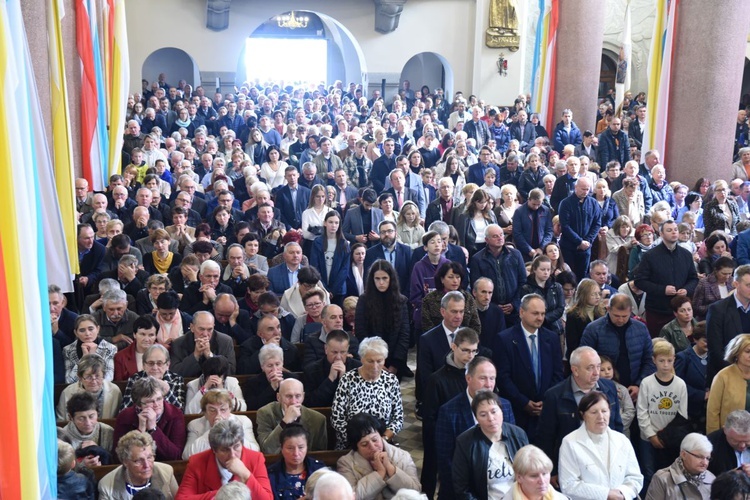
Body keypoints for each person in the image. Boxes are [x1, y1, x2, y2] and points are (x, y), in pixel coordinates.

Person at [435, 357, 515, 500]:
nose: (488, 384)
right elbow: (445, 459)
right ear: (468, 378)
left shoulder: (505, 406)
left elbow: (513, 449)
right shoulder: (449, 411)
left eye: (492, 378)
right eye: (483, 378)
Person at [537, 346, 623, 477]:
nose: (596, 373)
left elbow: (617, 426)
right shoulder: (554, 396)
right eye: (590, 368)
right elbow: (546, 438)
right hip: (570, 465)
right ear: (575, 370)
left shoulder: (609, 387)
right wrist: (552, 471)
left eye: (598, 366)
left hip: (606, 460)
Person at [494, 294, 564, 439]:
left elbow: (558, 374)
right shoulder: (505, 339)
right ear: (521, 313)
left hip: (545, 413)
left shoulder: (551, 338)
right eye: (535, 313)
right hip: (517, 412)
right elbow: (503, 377)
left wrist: (546, 401)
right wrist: (524, 402)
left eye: (543, 314)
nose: (540, 318)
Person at [558, 391, 643, 499]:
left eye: (604, 411)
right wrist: (606, 494)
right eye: (594, 412)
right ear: (582, 415)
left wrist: (622, 493)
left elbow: (635, 477)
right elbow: (568, 485)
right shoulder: (570, 442)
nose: (600, 416)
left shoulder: (622, 440)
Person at [452, 390, 530, 500]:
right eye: (483, 415)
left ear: (501, 412)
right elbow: (462, 489)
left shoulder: (518, 435)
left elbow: (530, 472)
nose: (490, 418)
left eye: (494, 412)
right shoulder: (465, 443)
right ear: (477, 419)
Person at [331, 337, 403, 449]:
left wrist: (382, 440)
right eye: (370, 361)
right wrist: (361, 443)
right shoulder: (348, 379)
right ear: (362, 359)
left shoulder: (391, 380)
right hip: (352, 444)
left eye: (379, 361)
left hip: (382, 444)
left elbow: (398, 418)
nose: (375, 366)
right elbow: (337, 418)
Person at [580, 294, 656, 398]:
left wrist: (639, 384)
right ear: (608, 309)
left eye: (624, 316)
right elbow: (585, 362)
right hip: (601, 389)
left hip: (635, 387)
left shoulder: (641, 328)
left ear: (631, 311)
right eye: (616, 316)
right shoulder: (593, 329)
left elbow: (649, 360)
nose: (620, 320)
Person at [637, 339, 689, 488]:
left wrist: (665, 436)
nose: (665, 365)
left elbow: (682, 416)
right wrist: (652, 435)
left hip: (670, 439)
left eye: (669, 360)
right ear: (654, 360)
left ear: (674, 360)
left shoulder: (680, 384)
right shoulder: (647, 383)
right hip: (648, 438)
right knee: (649, 473)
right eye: (661, 361)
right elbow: (641, 411)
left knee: (670, 474)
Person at [177, 419, 273, 499]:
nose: (232, 455)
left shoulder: (255, 459)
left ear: (242, 443)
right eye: (225, 450)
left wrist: (246, 475)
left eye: (236, 447)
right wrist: (223, 495)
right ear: (214, 450)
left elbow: (267, 498)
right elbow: (182, 498)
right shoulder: (197, 462)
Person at [337, 413, 421, 499]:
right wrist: (380, 473)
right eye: (364, 444)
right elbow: (351, 497)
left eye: (375, 440)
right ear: (356, 447)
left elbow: (415, 491)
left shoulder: (402, 456)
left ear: (381, 436)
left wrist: (390, 468)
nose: (373, 447)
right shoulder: (346, 463)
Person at [355, 260, 411, 376]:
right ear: (372, 279)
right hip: (370, 359)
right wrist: (376, 362)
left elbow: (404, 334)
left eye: (384, 278)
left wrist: (395, 364)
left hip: (395, 360)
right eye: (377, 278)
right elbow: (361, 332)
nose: (381, 282)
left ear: (391, 279)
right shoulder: (364, 300)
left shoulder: (401, 301)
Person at [113, 377, 186, 461]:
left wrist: (153, 429)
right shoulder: (125, 416)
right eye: (150, 401)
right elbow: (118, 457)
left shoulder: (175, 414)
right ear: (138, 405)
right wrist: (140, 431)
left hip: (166, 465)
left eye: (159, 399)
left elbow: (176, 456)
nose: (156, 404)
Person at [469, 224, 527, 325]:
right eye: (495, 236)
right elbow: (476, 287)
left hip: (514, 311)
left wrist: (515, 303)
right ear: (487, 240)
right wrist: (493, 306)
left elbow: (523, 282)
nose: (500, 238)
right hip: (489, 311)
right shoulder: (477, 259)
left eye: (501, 234)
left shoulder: (516, 255)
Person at [97, 431, 178, 499]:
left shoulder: (166, 472)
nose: (147, 465)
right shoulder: (107, 485)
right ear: (125, 462)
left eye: (149, 457)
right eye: (139, 461)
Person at [256, 378, 327, 454]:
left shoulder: (318, 419)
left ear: (303, 396)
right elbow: (267, 450)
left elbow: (319, 455)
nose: (293, 401)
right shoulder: (265, 413)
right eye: (289, 396)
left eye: (298, 396)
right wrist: (285, 421)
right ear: (278, 397)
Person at [183, 389, 259, 460]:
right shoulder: (194, 425)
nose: (218, 415)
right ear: (205, 412)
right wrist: (213, 431)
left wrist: (231, 431)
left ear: (230, 409)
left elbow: (255, 451)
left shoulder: (243, 421)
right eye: (212, 410)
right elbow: (187, 456)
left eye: (223, 410)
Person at [706, 264, 750, 386]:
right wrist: (738, 373)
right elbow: (715, 350)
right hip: (726, 376)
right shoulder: (717, 310)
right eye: (748, 285)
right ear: (736, 284)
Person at [644, 432, 715, 500]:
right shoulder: (663, 479)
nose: (705, 462)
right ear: (683, 454)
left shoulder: (712, 479)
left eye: (708, 458)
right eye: (699, 457)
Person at [558, 176, 601, 283]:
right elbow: (565, 226)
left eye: (587, 189)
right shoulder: (565, 203)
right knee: (569, 277)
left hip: (585, 248)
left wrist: (588, 241)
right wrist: (579, 241)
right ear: (575, 187)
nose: (585, 192)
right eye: (583, 189)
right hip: (569, 247)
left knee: (583, 277)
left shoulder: (593, 203)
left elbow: (597, 224)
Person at [120, 343, 185, 411]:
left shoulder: (176, 379)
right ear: (144, 365)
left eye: (159, 363)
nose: (155, 367)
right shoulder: (135, 379)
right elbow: (124, 410)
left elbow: (180, 412)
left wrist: (168, 392)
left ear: (167, 364)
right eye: (151, 363)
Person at [267, 425, 326, 500]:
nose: (296, 453)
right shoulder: (272, 475)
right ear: (281, 448)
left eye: (301, 447)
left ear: (307, 447)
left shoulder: (319, 470)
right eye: (290, 448)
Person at [170, 311, 236, 377]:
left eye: (209, 329)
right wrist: (195, 355)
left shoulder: (225, 341)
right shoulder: (178, 343)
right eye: (201, 329)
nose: (205, 334)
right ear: (192, 327)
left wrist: (210, 356)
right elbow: (175, 373)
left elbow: (231, 371)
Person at [707, 334, 750, 434]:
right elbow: (712, 412)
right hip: (730, 436)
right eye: (748, 351)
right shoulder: (723, 376)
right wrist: (714, 439)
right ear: (736, 353)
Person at [58, 354, 122, 421]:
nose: (94, 381)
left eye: (97, 376)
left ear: (104, 375)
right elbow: (61, 421)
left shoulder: (115, 391)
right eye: (88, 377)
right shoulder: (68, 392)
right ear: (80, 377)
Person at [421, 262, 481, 333]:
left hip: (464, 341)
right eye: (451, 277)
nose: (455, 281)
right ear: (442, 279)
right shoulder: (430, 299)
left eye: (458, 277)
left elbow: (475, 325)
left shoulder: (468, 298)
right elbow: (426, 326)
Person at [60, 391, 115, 467]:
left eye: (91, 416)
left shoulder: (107, 432)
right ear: (71, 418)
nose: (88, 423)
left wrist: (99, 450)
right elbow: (62, 467)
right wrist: (81, 465)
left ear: (97, 414)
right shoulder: (63, 436)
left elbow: (115, 462)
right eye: (81, 418)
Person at [410, 231, 450, 331]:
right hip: (424, 315)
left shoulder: (448, 265)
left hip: (446, 314)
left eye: (439, 241)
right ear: (425, 247)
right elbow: (415, 295)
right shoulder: (419, 267)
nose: (436, 245)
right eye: (432, 242)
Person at [309, 210, 350, 302]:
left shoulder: (344, 244)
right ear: (325, 223)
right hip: (320, 288)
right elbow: (314, 267)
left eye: (336, 223)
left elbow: (344, 269)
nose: (333, 225)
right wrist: (324, 288)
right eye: (330, 222)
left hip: (339, 290)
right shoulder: (317, 242)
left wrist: (333, 290)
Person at [63, 315, 117, 383]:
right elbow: (69, 381)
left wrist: (92, 357)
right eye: (82, 330)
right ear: (76, 333)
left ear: (98, 329)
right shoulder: (68, 350)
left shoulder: (110, 348)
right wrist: (84, 358)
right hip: (77, 390)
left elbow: (108, 378)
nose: (87, 333)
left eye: (91, 329)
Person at [520, 256, 566, 335]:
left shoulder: (557, 287)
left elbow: (561, 308)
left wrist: (545, 318)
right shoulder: (526, 288)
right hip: (534, 328)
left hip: (555, 329)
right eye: (542, 269)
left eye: (548, 269)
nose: (546, 272)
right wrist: (539, 318)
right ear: (534, 269)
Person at [675, 323, 709, 428]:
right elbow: (678, 385)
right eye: (705, 341)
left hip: (709, 411)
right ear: (695, 339)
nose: (709, 344)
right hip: (690, 411)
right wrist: (702, 395)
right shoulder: (683, 357)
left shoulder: (714, 357)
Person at [565, 278, 607, 359]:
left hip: (600, 356)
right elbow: (572, 344)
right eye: (593, 294)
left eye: (599, 293)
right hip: (581, 357)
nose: (598, 297)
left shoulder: (603, 311)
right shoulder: (573, 315)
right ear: (583, 295)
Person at [513, 188, 554, 263]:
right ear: (529, 199)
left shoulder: (546, 210)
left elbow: (549, 231)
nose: (536, 207)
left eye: (539, 204)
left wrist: (542, 248)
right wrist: (529, 249)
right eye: (533, 204)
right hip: (524, 250)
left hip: (541, 249)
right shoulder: (519, 212)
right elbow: (517, 233)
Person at [114, 315, 160, 381]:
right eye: (142, 334)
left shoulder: (165, 352)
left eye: (151, 335)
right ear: (134, 334)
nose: (146, 339)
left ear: (156, 336)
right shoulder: (120, 357)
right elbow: (119, 385)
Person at [707, 410, 750, 477]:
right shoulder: (710, 446)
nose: (742, 446)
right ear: (725, 430)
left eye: (747, 441)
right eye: (736, 441)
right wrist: (727, 478)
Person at [693, 256, 736, 321]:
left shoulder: (732, 281)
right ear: (716, 270)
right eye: (724, 274)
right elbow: (696, 308)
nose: (727, 277)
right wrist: (718, 305)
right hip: (709, 319)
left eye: (730, 273)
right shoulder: (704, 283)